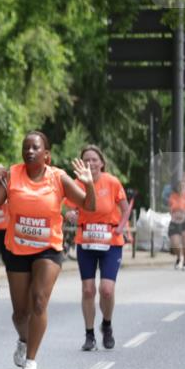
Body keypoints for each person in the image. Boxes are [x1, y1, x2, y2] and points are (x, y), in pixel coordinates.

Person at [0, 131, 95, 369]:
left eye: (35, 147)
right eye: (26, 148)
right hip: (18, 250)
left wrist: (89, 184)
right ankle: (24, 339)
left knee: (39, 300)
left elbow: (89, 205)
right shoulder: (12, 176)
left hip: (48, 249)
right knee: (20, 313)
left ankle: (31, 360)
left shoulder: (58, 178)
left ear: (47, 155)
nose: (29, 151)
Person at [63, 145, 130, 351]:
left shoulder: (112, 182)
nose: (90, 163)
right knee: (88, 290)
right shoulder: (77, 183)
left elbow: (125, 209)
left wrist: (121, 227)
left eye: (94, 159)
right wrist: (70, 215)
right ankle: (89, 334)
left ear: (101, 162)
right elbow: (68, 208)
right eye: (86, 160)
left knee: (106, 290)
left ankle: (107, 325)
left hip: (110, 242)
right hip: (86, 240)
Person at [167, 173, 185, 271]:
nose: (181, 188)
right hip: (175, 221)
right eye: (179, 186)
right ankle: (179, 258)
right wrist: (173, 215)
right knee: (175, 243)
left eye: (183, 186)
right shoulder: (173, 197)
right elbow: (170, 209)